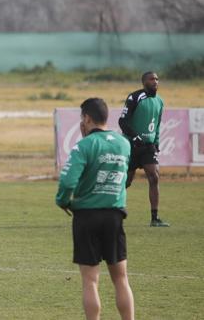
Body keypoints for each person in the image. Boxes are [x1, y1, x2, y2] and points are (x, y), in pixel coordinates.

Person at [56, 98, 135, 320]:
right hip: (114, 216)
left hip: (86, 216)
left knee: (90, 280)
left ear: (87, 118)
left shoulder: (84, 145)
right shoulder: (123, 143)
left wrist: (63, 201)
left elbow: (68, 182)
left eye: (82, 118)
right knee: (121, 278)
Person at [118, 71, 169, 227]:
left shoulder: (159, 101)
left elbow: (158, 125)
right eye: (152, 79)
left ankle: (155, 218)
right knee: (126, 182)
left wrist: (156, 142)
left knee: (154, 177)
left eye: (157, 79)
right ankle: (115, 211)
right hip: (132, 146)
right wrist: (135, 138)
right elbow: (123, 121)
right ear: (144, 82)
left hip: (148, 147)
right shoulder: (135, 97)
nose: (155, 81)